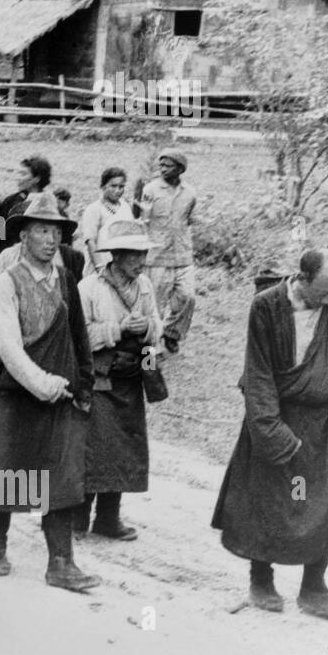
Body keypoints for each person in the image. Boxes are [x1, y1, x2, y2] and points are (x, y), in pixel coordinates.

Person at [0, 192, 99, 592]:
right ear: (23, 235)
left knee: (59, 476)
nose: (49, 239)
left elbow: (79, 338)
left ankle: (61, 563)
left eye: (55, 231)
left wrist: (83, 385)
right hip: (16, 391)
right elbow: (9, 347)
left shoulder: (67, 281)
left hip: (60, 396)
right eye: (41, 230)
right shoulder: (7, 283)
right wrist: (42, 383)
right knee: (6, 469)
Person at [212, 248, 328, 619]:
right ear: (301, 279)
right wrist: (272, 432)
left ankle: (314, 587)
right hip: (277, 418)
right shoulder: (266, 306)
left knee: (322, 504)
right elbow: (258, 375)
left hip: (320, 427)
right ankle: (261, 580)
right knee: (268, 500)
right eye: (322, 293)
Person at [77, 221, 164, 540]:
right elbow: (79, 336)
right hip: (100, 380)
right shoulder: (89, 288)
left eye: (143, 254)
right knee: (95, 449)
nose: (142, 261)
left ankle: (108, 518)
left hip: (130, 379)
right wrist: (119, 328)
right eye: (135, 255)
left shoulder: (145, 286)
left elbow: (157, 325)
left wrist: (148, 330)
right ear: (117, 255)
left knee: (126, 449)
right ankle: (78, 516)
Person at [138, 148, 197, 354]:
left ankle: (172, 333)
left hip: (183, 254)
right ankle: (150, 344)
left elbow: (188, 219)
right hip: (157, 256)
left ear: (180, 169)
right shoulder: (150, 190)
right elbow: (143, 220)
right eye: (160, 165)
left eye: (168, 165)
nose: (162, 169)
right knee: (155, 302)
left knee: (187, 297)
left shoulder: (190, 193)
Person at [78, 167, 135, 275]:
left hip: (122, 266)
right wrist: (100, 269)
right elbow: (90, 241)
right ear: (103, 186)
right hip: (101, 266)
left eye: (121, 186)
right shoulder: (94, 209)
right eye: (113, 186)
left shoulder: (125, 207)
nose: (117, 190)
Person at [0, 155, 51, 257]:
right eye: (18, 173)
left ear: (36, 179)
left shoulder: (50, 204)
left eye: (23, 174)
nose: (18, 178)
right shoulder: (10, 201)